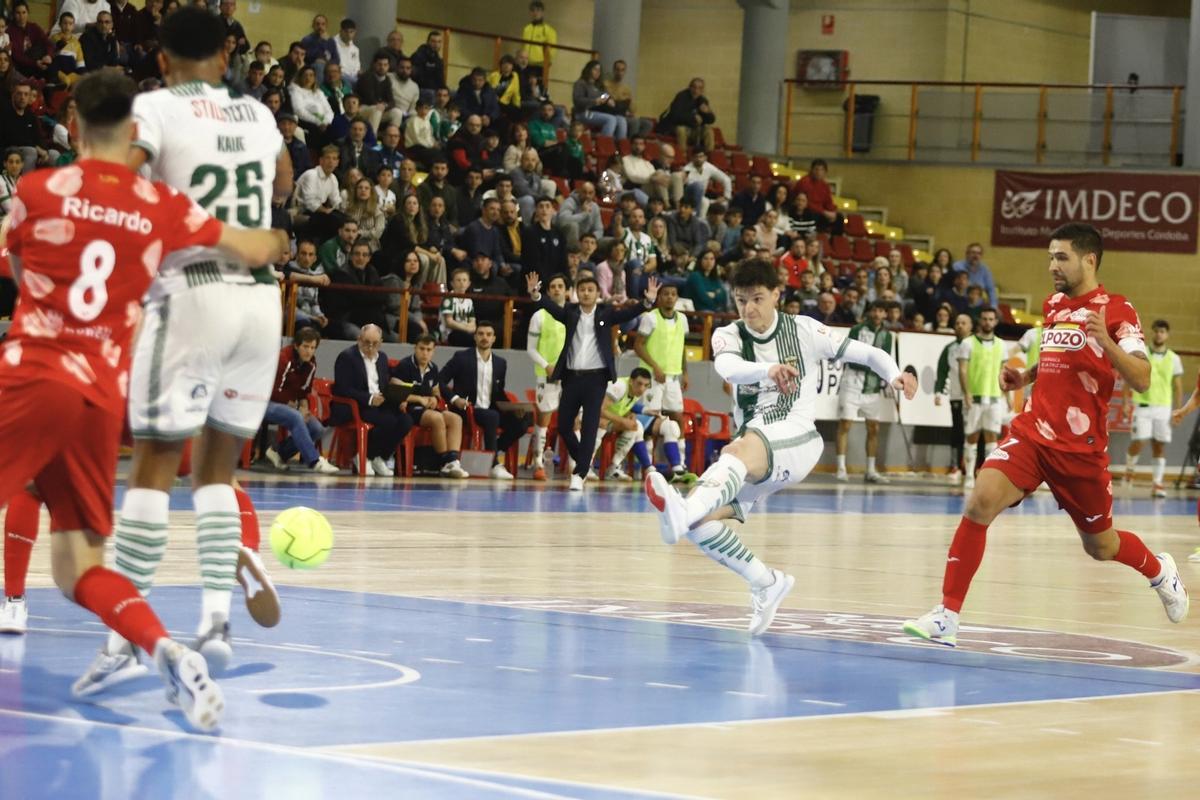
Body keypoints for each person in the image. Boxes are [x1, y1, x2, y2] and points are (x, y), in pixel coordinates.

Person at [0, 68, 287, 729]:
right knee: (78, 568)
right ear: (133, 129)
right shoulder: (158, 204)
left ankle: (24, 604)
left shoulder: (38, 189)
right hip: (100, 397)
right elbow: (246, 244)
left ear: (72, 122)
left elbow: (17, 269)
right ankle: (165, 650)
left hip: (37, 373)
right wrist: (274, 240)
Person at [73, 8, 293, 699]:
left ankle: (125, 639)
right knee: (217, 468)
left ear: (162, 59)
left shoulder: (156, 105)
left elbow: (118, 179)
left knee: (153, 465)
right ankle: (216, 623)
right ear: (227, 56)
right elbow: (283, 183)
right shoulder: (258, 113)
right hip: (262, 301)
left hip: (190, 289)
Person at [903, 223, 1189, 647]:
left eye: (1061, 258)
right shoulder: (1054, 304)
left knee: (1102, 546)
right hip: (1032, 435)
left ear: (1089, 260)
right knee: (980, 500)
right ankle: (947, 615)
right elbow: (1061, 356)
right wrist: (1024, 376)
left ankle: (1159, 570)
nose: (1052, 265)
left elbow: (1143, 378)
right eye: (1050, 256)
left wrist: (1107, 344)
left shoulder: (1118, 310)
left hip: (1080, 451)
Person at [644, 259, 915, 636]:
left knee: (733, 454)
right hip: (756, 447)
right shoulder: (730, 335)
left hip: (797, 438)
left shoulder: (804, 330)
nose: (749, 308)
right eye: (741, 301)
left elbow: (866, 353)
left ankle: (678, 510)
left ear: (776, 294)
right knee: (699, 523)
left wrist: (895, 375)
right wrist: (765, 370)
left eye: (757, 298)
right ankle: (766, 582)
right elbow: (728, 369)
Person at [526, 272, 659, 491]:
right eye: (582, 290)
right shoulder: (570, 312)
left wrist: (647, 301)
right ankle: (584, 461)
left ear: (597, 294)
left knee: (589, 425)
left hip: (596, 379)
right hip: (571, 377)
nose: (586, 293)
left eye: (590, 290)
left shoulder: (605, 313)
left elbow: (628, 313)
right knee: (565, 426)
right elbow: (552, 308)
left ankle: (579, 473)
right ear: (576, 293)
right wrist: (536, 295)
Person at [439, 321, 528, 479]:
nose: (484, 338)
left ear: (494, 338)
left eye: (488, 334)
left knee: (525, 419)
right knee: (492, 416)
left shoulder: (501, 363)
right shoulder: (461, 357)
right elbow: (440, 381)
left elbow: (498, 393)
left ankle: (491, 452)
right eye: (481, 334)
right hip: (468, 409)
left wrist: (512, 408)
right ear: (475, 337)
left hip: (491, 408)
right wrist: (455, 399)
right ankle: (494, 464)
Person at [332, 325, 413, 477]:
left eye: (375, 343)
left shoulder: (382, 358)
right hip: (359, 404)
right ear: (359, 340)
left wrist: (398, 399)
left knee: (406, 420)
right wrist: (369, 399)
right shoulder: (347, 357)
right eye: (366, 342)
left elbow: (384, 384)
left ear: (381, 342)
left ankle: (379, 457)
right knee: (388, 421)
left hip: (380, 402)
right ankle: (364, 456)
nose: (370, 347)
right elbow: (343, 389)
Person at [390, 335, 470, 479]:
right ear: (415, 348)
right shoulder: (405, 366)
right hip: (409, 409)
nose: (425, 353)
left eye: (429, 350)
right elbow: (395, 393)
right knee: (437, 418)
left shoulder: (433, 368)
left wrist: (435, 398)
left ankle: (453, 461)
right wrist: (419, 399)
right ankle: (444, 462)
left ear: (433, 351)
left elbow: (436, 390)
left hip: (427, 408)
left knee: (455, 418)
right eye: (422, 349)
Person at [262, 328, 340, 474]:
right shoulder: (283, 358)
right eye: (305, 346)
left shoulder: (311, 364)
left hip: (291, 405)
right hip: (265, 402)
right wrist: (297, 407)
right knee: (296, 417)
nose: (309, 351)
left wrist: (304, 407)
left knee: (316, 428)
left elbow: (305, 391)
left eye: (312, 348)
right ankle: (315, 461)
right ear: (296, 346)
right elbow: (274, 392)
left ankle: (278, 453)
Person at [836, 302, 895, 483]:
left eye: (881, 310)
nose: (878, 313)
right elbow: (847, 355)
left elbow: (884, 360)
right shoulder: (857, 330)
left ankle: (870, 470)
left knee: (874, 428)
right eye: (875, 310)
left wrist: (889, 379)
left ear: (885, 314)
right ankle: (840, 467)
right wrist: (871, 363)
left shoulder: (887, 336)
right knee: (845, 424)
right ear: (870, 312)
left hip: (872, 387)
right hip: (852, 382)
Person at [1123, 319, 1183, 497]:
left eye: (1162, 332)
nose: (1159, 334)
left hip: (1163, 407)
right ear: (1153, 333)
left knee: (1159, 445)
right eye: (1156, 331)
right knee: (1139, 440)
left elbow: (1178, 386)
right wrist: (1126, 402)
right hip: (1142, 405)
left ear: (1167, 334)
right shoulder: (1142, 354)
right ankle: (1129, 470)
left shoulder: (1174, 358)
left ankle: (1157, 483)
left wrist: (1178, 410)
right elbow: (1129, 378)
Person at [600, 367, 691, 481]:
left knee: (670, 426)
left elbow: (625, 404)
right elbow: (601, 408)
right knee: (635, 426)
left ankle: (676, 469)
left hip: (615, 418)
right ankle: (584, 468)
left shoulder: (634, 389)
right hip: (597, 418)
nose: (642, 388)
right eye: (639, 384)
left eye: (645, 385)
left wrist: (646, 410)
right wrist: (624, 420)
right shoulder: (619, 386)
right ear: (631, 381)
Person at [957, 307, 1008, 490]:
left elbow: (1004, 372)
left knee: (992, 438)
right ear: (980, 321)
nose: (988, 322)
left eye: (991, 319)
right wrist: (967, 393)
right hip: (975, 397)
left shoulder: (1002, 345)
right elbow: (962, 370)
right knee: (971, 436)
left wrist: (1005, 397)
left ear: (995, 321)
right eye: (985, 319)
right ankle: (969, 475)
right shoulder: (968, 343)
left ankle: (987, 476)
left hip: (994, 398)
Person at [527, 273, 568, 480]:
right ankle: (538, 463)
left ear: (567, 290)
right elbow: (530, 349)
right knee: (544, 419)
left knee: (576, 421)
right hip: (547, 376)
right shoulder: (539, 316)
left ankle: (575, 466)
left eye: (560, 286)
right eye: (552, 286)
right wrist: (547, 366)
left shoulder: (574, 314)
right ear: (548, 291)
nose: (556, 289)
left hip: (570, 376)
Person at [632, 283, 689, 435]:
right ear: (659, 297)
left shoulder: (682, 319)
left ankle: (681, 456)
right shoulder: (650, 318)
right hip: (651, 376)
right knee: (650, 416)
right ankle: (647, 456)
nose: (669, 297)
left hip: (673, 377)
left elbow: (682, 347)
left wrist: (686, 372)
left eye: (673, 294)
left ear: (677, 298)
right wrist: (655, 367)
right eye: (665, 294)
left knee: (677, 416)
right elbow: (638, 346)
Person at [934, 313, 973, 485]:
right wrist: (938, 392)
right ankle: (955, 466)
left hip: (975, 396)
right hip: (956, 395)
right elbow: (942, 371)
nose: (960, 326)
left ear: (970, 326)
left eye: (964, 323)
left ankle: (975, 467)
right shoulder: (949, 348)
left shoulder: (976, 345)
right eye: (957, 323)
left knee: (975, 433)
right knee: (957, 431)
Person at [658, 77, 715, 152]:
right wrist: (693, 117)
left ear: (702, 90)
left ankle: (709, 156)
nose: (696, 90)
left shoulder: (702, 100)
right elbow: (675, 115)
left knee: (708, 130)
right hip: (674, 127)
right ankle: (682, 155)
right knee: (681, 130)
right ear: (690, 88)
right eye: (694, 87)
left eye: (700, 88)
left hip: (693, 130)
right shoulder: (682, 97)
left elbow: (711, 120)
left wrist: (708, 113)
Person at [952, 242, 999, 308]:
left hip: (979, 305)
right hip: (959, 304)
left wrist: (994, 306)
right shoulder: (957, 266)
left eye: (979, 253)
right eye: (973, 253)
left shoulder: (985, 269)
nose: (976, 256)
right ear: (967, 254)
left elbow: (991, 289)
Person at [440, 267, 476, 346]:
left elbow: (473, 324)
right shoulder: (449, 298)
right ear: (452, 283)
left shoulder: (469, 300)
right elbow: (449, 322)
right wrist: (466, 328)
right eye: (458, 280)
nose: (462, 283)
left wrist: (469, 329)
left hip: (465, 332)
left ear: (469, 283)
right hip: (451, 333)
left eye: (464, 280)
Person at [521, 1, 556, 79]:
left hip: (540, 65)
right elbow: (523, 46)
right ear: (530, 13)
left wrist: (547, 63)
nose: (535, 13)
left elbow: (552, 50)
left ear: (542, 12)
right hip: (526, 64)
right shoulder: (526, 29)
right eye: (533, 10)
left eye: (538, 10)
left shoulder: (549, 30)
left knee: (537, 89)